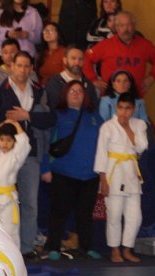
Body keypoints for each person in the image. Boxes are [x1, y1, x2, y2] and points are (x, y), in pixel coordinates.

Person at [0, 51, 55, 260]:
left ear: (32, 68)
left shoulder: (39, 90)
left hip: (32, 153)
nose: (23, 70)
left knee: (30, 203)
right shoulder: (0, 91)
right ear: (11, 66)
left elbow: (49, 119)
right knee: (1, 200)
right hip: (5, 153)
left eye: (27, 66)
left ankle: (26, 248)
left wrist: (27, 116)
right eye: (19, 65)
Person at [41, 80, 103, 261]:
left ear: (85, 96)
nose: (76, 94)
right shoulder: (57, 115)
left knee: (85, 214)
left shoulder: (95, 117)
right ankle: (53, 246)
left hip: (90, 175)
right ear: (65, 95)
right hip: (62, 172)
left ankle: (86, 247)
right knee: (59, 212)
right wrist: (45, 168)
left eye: (80, 91)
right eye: (72, 91)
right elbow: (46, 143)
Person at [94, 93, 148, 263]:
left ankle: (127, 248)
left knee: (135, 216)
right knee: (114, 214)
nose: (124, 112)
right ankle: (115, 250)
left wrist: (127, 129)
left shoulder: (139, 125)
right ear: (116, 108)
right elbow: (101, 153)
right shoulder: (107, 126)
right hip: (113, 173)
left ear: (134, 109)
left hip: (131, 173)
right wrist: (103, 180)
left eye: (128, 108)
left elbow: (142, 147)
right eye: (121, 108)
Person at [83, 11, 155, 96]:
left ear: (134, 26)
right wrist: (94, 80)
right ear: (117, 27)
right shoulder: (105, 45)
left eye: (129, 25)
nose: (126, 29)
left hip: (135, 98)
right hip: (110, 98)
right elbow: (86, 58)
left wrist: (151, 77)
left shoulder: (145, 45)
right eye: (122, 25)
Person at [0, 119, 30, 248]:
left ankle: (13, 261)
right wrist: (3, 124)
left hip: (8, 199)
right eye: (2, 139)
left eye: (9, 140)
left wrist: (16, 125)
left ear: (14, 142)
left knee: (10, 232)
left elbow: (24, 143)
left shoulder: (16, 157)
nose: (4, 143)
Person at [44, 45, 98, 109]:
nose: (77, 62)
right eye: (73, 58)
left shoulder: (88, 85)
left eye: (80, 59)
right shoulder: (53, 83)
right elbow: (54, 109)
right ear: (65, 60)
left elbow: (93, 108)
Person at [36, 21, 65, 86]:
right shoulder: (42, 53)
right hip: (42, 88)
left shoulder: (64, 52)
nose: (47, 33)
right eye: (45, 30)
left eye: (51, 30)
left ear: (58, 34)